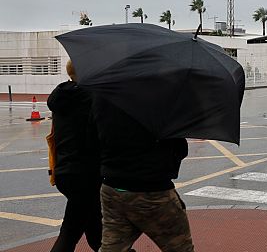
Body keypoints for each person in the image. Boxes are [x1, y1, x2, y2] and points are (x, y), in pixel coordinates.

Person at [92, 95, 194, 251]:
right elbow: (179, 148)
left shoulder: (103, 96)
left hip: (112, 188)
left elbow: (92, 138)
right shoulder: (159, 100)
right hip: (152, 191)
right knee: (179, 247)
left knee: (112, 248)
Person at [47, 60, 102, 252]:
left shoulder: (61, 96)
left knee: (95, 226)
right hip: (85, 174)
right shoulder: (90, 97)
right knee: (70, 233)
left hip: (64, 171)